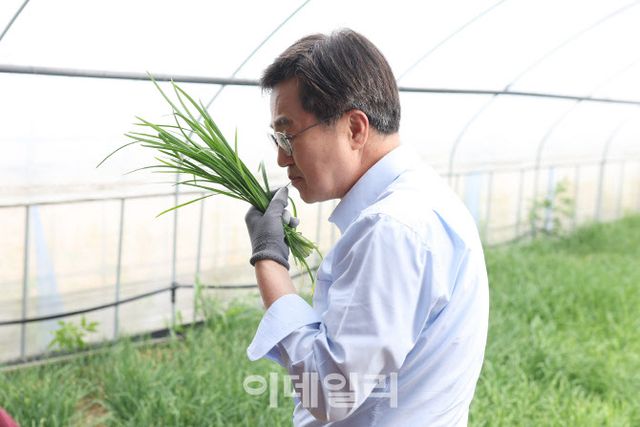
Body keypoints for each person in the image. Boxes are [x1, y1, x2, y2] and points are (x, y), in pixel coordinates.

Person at [244, 29, 489, 426]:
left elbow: (330, 392)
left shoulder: (390, 228)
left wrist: (269, 259)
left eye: (289, 136)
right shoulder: (423, 198)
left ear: (355, 129)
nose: (281, 158)